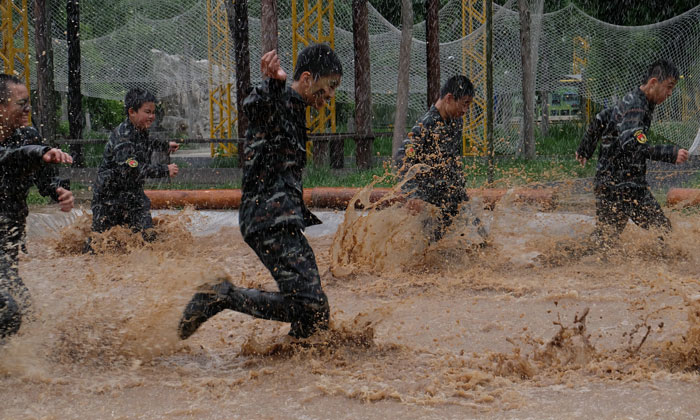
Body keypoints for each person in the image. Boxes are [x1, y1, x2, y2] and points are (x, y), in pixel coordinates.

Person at [178, 44, 342, 340]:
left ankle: (296, 359)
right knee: (310, 305)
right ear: (307, 78)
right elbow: (256, 106)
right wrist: (273, 83)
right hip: (269, 218)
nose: (330, 95)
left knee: (314, 314)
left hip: (279, 218)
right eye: (329, 86)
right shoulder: (281, 99)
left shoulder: (295, 107)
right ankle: (222, 295)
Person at [578, 59, 688, 247]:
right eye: (668, 87)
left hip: (611, 183)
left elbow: (602, 117)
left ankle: (561, 259)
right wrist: (669, 153)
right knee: (663, 230)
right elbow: (632, 143)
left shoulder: (632, 100)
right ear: (653, 83)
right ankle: (666, 270)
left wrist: (586, 147)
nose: (669, 93)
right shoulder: (637, 104)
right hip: (624, 186)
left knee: (604, 241)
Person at [0, 74, 74, 338]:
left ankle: (19, 368)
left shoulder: (28, 135)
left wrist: (58, 191)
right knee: (8, 309)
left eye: (28, 102)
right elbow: (7, 158)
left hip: (9, 236)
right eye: (21, 104)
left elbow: (44, 180)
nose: (28, 109)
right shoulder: (26, 146)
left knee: (25, 310)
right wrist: (35, 152)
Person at [394, 75, 485, 243]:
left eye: (468, 105)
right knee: (432, 246)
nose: (466, 110)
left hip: (453, 195)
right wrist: (412, 194)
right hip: (430, 199)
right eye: (464, 103)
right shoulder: (426, 124)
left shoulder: (455, 122)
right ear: (449, 98)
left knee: (480, 238)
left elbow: (452, 158)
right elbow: (402, 157)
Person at [88, 88, 179, 247]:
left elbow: (146, 142)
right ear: (132, 112)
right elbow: (134, 168)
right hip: (109, 199)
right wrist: (164, 170)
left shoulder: (139, 129)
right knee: (100, 245)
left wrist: (165, 145)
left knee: (148, 238)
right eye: (147, 112)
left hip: (132, 195)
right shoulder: (123, 137)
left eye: (153, 112)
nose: (152, 117)